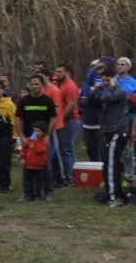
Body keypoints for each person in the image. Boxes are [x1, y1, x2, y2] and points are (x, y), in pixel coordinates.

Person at [87, 65, 129, 207]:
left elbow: (107, 98)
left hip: (117, 131)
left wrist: (109, 86)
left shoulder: (120, 92)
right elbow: (90, 99)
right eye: (103, 80)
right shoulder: (105, 90)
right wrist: (97, 87)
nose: (104, 82)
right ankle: (111, 191)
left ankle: (114, 197)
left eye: (107, 80)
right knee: (108, 163)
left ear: (113, 79)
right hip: (107, 131)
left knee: (111, 164)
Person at [15, 75, 57, 202]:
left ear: (42, 85)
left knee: (46, 165)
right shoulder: (24, 101)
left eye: (37, 84)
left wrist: (48, 135)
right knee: (26, 166)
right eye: (32, 84)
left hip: (43, 139)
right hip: (28, 139)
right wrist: (21, 136)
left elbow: (53, 118)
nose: (34, 86)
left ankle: (47, 191)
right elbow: (18, 118)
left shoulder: (47, 101)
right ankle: (27, 192)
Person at [40, 70, 68, 188]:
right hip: (43, 126)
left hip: (54, 125)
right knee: (49, 152)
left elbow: (55, 111)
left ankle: (60, 177)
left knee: (54, 152)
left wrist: (50, 125)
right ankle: (53, 177)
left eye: (41, 76)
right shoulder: (42, 89)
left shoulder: (53, 90)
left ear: (47, 76)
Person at [53, 65, 80, 184]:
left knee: (66, 150)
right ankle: (73, 175)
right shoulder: (62, 84)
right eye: (56, 71)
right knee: (67, 150)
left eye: (60, 72)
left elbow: (71, 105)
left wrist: (62, 120)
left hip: (69, 121)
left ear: (67, 72)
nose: (57, 74)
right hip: (65, 121)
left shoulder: (70, 86)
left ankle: (70, 178)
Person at [19, 122, 49, 202]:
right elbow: (24, 149)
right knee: (28, 181)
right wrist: (23, 157)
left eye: (38, 131)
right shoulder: (29, 140)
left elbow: (41, 150)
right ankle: (29, 195)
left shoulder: (43, 141)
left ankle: (37, 196)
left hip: (39, 166)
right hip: (28, 165)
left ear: (43, 133)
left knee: (38, 182)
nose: (36, 133)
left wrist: (35, 144)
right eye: (34, 131)